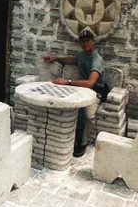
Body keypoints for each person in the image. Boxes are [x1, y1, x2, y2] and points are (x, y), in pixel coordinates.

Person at [44, 29, 109, 157]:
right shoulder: (82, 55)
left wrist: (67, 81)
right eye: (82, 42)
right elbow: (71, 60)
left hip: (97, 90)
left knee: (85, 114)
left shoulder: (96, 59)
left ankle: (82, 143)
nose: (85, 44)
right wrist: (56, 58)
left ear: (93, 42)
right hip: (83, 89)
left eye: (88, 41)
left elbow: (91, 83)